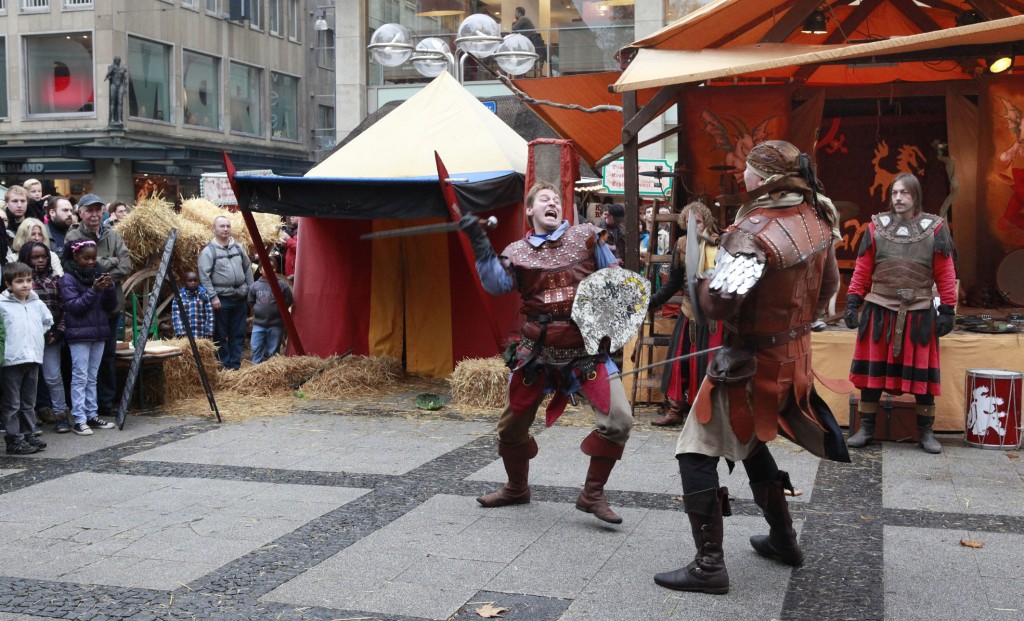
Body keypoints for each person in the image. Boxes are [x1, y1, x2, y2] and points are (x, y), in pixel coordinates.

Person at [653, 140, 847, 595]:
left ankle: (709, 566)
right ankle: (784, 540)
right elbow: (828, 291)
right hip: (793, 358)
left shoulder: (753, 230)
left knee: (695, 450)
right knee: (752, 442)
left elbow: (718, 305)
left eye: (747, 168)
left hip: (748, 362)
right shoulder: (818, 216)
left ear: (761, 177)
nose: (742, 174)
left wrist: (702, 272)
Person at [459, 181, 633, 524]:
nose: (552, 202)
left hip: (586, 351)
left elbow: (615, 282)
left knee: (619, 420)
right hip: (536, 353)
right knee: (510, 429)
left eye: (556, 198)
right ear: (530, 211)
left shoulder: (587, 236)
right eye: (543, 199)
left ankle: (592, 494)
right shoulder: (516, 251)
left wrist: (620, 311)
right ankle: (516, 488)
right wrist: (479, 242)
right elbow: (496, 285)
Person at [844, 172, 957, 454]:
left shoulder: (935, 229)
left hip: (919, 312)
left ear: (916, 196)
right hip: (878, 310)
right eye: (894, 193)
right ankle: (866, 428)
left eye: (904, 192)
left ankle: (925, 433)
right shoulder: (876, 227)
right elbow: (862, 268)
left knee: (923, 378)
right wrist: (852, 301)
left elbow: (945, 272)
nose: (898, 198)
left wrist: (947, 308)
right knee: (872, 374)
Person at [647, 201, 722, 427]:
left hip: (713, 316)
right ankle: (675, 410)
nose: (693, 226)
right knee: (680, 363)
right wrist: (652, 302)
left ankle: (706, 413)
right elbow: (673, 283)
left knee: (708, 365)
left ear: (706, 221)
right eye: (689, 222)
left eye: (697, 222)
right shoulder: (681, 245)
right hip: (688, 311)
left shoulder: (719, 243)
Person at [60, 240, 118, 435]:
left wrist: (109, 288)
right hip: (79, 334)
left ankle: (91, 414)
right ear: (76, 257)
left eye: (94, 258)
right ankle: (79, 418)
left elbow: (110, 306)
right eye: (86, 258)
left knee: (92, 377)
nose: (91, 262)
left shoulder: (98, 273)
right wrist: (94, 291)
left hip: (99, 332)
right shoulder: (68, 278)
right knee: (80, 377)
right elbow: (74, 307)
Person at [1, 262, 53, 455]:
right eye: (19, 281)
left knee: (29, 401)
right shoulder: (2, 304)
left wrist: (34, 337)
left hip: (33, 357)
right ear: (8, 284)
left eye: (28, 280)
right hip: (12, 360)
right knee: (13, 403)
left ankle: (28, 433)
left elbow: (47, 321)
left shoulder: (36, 303)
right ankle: (14, 438)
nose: (25, 285)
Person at [18, 241, 68, 432]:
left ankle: (61, 415)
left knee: (53, 376)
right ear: (26, 258)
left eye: (43, 256)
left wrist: (59, 331)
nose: (40, 260)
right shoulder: (22, 281)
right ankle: (28, 419)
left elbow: (64, 309)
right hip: (27, 337)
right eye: (35, 257)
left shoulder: (55, 279)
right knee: (28, 379)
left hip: (51, 336)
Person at [198, 216, 253, 370]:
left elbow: (247, 269)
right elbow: (204, 277)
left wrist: (250, 289)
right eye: (222, 226)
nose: (226, 229)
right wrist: (213, 297)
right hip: (222, 299)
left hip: (240, 297)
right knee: (220, 334)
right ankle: (224, 365)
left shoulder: (238, 248)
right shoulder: (209, 251)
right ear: (213, 229)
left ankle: (235, 365)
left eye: (228, 226)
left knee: (238, 333)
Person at [248, 270, 293, 364]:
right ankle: (255, 367)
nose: (269, 269)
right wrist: (258, 308)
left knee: (273, 350)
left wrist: (279, 309)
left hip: (275, 324)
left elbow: (289, 299)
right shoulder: (255, 286)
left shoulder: (281, 285)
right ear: (260, 270)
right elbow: (251, 301)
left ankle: (271, 367)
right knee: (255, 347)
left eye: (273, 267)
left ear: (276, 269)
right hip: (258, 323)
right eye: (265, 267)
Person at [172, 271, 215, 341]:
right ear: (184, 282)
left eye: (195, 280)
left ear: (199, 281)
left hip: (201, 335)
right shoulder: (179, 297)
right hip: (185, 336)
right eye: (190, 281)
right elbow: (176, 316)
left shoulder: (203, 295)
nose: (193, 283)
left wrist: (209, 332)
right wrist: (180, 333)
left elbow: (210, 314)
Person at [105, 56, 128, 126]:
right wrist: (111, 70)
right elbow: (107, 76)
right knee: (112, 102)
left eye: (118, 60)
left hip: (120, 85)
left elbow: (126, 79)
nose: (117, 61)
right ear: (114, 61)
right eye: (116, 60)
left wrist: (126, 88)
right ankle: (112, 118)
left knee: (120, 102)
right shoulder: (111, 67)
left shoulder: (123, 69)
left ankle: (119, 119)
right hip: (113, 85)